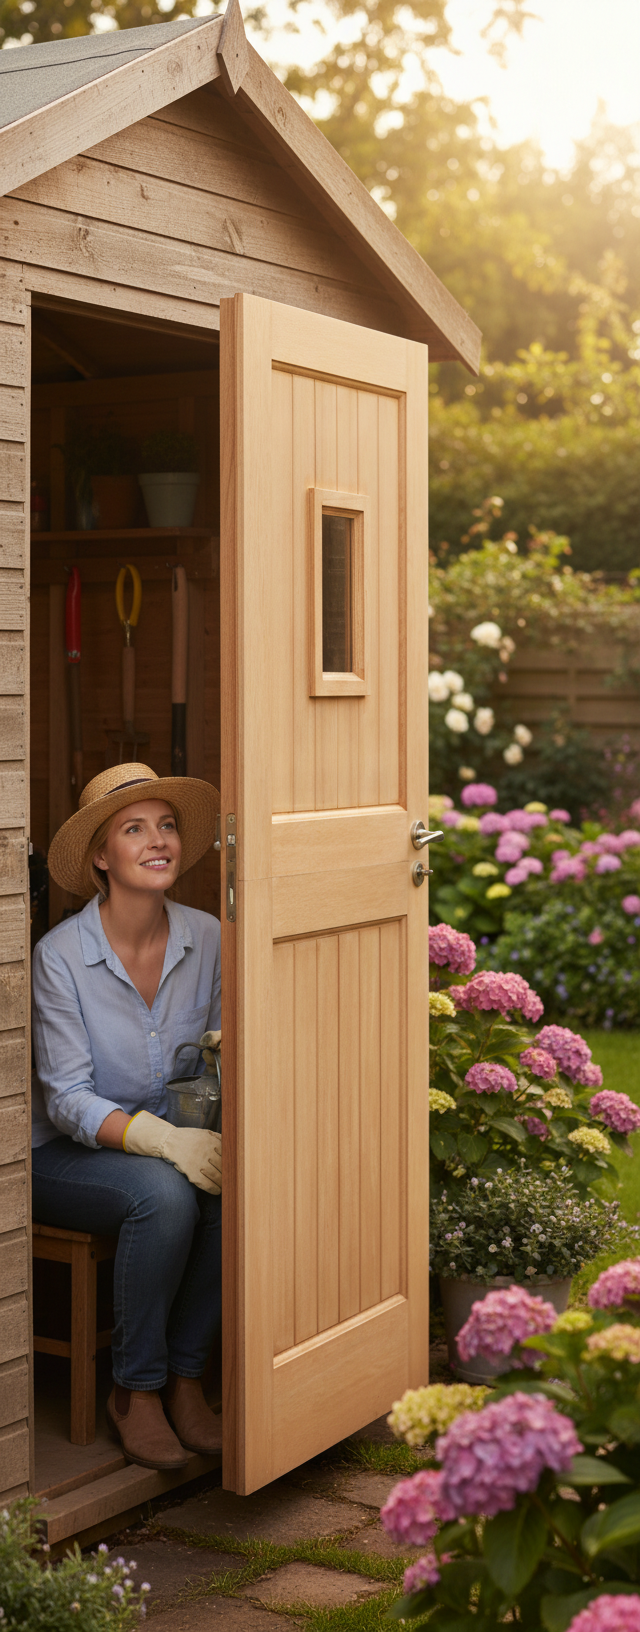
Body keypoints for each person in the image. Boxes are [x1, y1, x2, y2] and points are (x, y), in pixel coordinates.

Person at [31, 762, 223, 1471]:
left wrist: (213, 1097)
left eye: (167, 825)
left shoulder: (209, 939)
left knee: (236, 1188)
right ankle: (134, 1392)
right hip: (65, 1155)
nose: (158, 840)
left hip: (167, 1138)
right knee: (167, 1196)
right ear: (101, 857)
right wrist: (164, 1140)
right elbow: (67, 1098)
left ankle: (185, 1378)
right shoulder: (60, 958)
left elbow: (213, 1060)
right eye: (134, 828)